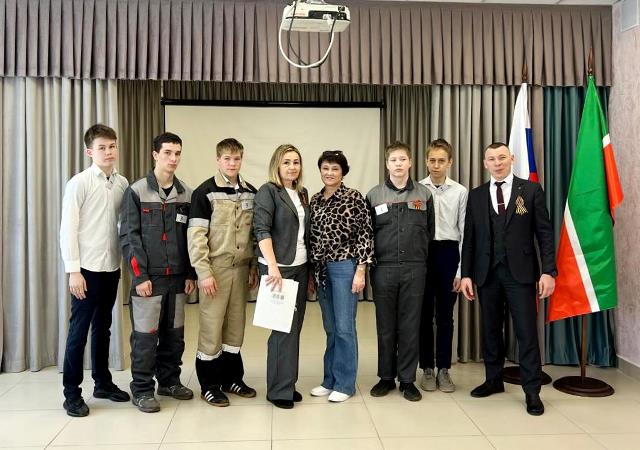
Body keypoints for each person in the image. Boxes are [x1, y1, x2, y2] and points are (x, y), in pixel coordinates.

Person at [460, 142, 556, 416]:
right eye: (491, 159)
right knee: (491, 330)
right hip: (486, 273)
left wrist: (548, 271)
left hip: (521, 274)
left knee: (526, 333)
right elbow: (470, 239)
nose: (497, 163)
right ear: (485, 163)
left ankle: (532, 391)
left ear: (511, 158)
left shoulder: (531, 190)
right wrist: (466, 274)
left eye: (502, 157)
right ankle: (493, 380)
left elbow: (545, 233)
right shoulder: (476, 195)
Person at [119, 132, 197, 413]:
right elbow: (130, 237)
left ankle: (169, 381)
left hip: (177, 279)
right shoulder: (137, 191)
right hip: (148, 280)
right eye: (167, 153)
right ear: (155, 155)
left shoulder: (186, 194)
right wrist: (139, 277)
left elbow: (192, 238)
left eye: (177, 153)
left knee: (174, 336)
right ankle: (141, 389)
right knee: (145, 337)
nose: (173, 158)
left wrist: (190, 274)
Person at [59, 124, 130, 417]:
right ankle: (71, 394)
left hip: (111, 266)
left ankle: (103, 383)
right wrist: (73, 271)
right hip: (85, 270)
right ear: (90, 151)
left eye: (112, 146)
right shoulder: (79, 183)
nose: (108, 152)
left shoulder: (122, 183)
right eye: (102, 147)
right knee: (79, 332)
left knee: (104, 327)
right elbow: (68, 228)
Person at [188, 138, 259, 407]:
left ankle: (232, 379)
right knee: (211, 327)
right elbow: (196, 236)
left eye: (236, 158)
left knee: (235, 328)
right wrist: (204, 273)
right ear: (218, 160)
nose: (232, 163)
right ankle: (209, 385)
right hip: (215, 271)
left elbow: (254, 235)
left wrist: (253, 266)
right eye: (227, 158)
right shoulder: (204, 193)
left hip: (241, 270)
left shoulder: (250, 192)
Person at [366, 141, 435, 402]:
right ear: (387, 164)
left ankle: (407, 380)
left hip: (415, 269)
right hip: (383, 269)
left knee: (410, 326)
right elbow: (368, 234)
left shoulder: (424, 195)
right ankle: (386, 377)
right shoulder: (373, 195)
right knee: (385, 326)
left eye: (402, 159)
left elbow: (430, 232)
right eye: (393, 160)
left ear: (410, 162)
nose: (398, 164)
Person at [309, 150, 373, 403]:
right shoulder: (315, 200)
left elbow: (365, 234)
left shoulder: (353, 197)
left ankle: (346, 384)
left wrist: (361, 270)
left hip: (345, 267)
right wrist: (312, 273)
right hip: (321, 269)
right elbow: (312, 238)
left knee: (345, 328)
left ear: (343, 172)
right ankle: (330, 380)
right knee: (331, 328)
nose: (329, 173)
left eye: (335, 168)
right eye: (325, 168)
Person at [253, 144, 311, 409]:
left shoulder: (302, 193)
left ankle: (287, 383)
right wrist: (273, 267)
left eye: (296, 162)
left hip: (301, 266)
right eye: (286, 162)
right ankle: (278, 391)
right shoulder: (268, 191)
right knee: (281, 330)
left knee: (294, 329)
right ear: (277, 165)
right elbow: (261, 230)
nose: (292, 167)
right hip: (279, 269)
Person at [418, 139, 468, 393]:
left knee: (446, 316)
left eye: (441, 161)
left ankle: (444, 369)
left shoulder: (460, 191)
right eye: (432, 160)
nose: (436, 165)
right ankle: (427, 367)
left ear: (450, 162)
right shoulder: (417, 189)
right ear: (426, 161)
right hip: (423, 254)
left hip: (449, 254)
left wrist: (460, 270)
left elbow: (464, 232)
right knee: (424, 315)